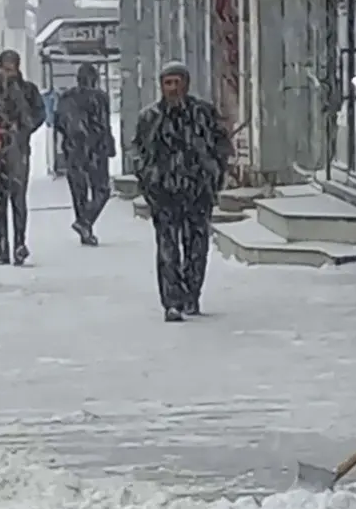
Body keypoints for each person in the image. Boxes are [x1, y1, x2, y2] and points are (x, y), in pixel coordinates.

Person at [133, 61, 231, 322]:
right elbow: (139, 153)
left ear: (186, 84)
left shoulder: (204, 114)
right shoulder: (150, 118)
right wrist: (149, 180)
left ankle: (192, 294)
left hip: (198, 192)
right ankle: (171, 301)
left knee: (196, 247)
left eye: (177, 82)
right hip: (164, 194)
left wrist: (214, 176)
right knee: (167, 249)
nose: (173, 88)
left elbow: (221, 148)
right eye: (168, 83)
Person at [0, 50, 45, 266]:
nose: (8, 72)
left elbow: (40, 113)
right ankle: (3, 246)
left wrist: (23, 130)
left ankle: (20, 243)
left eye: (12, 67)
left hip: (18, 151)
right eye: (5, 67)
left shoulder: (28, 90)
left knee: (18, 199)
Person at [54, 62, 115, 246]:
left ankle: (84, 227)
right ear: (95, 79)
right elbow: (105, 123)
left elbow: (58, 122)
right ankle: (85, 222)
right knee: (102, 189)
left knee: (78, 192)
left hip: (73, 149)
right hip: (96, 149)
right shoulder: (101, 98)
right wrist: (107, 144)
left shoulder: (66, 97)